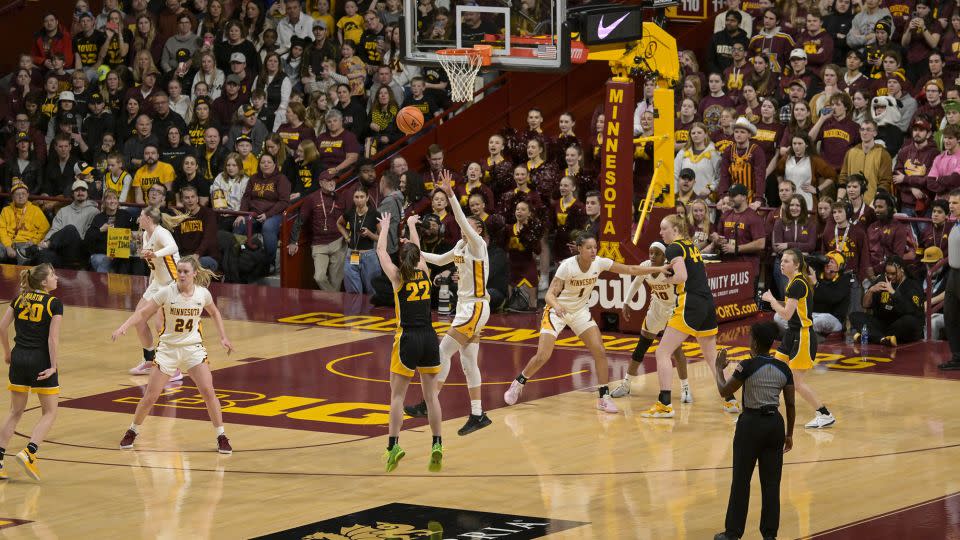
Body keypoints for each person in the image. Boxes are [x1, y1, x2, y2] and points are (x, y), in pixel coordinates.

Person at [504, 232, 660, 413]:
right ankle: (518, 382)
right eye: (589, 248)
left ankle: (603, 397)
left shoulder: (599, 263)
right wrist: (557, 306)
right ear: (579, 249)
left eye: (595, 247)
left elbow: (631, 270)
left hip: (579, 312)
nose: (593, 251)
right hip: (557, 311)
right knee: (543, 356)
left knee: (600, 351)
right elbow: (549, 295)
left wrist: (658, 269)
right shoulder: (567, 267)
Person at [112, 256, 234, 455]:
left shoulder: (203, 294)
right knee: (151, 396)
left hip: (193, 348)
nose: (182, 275)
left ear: (194, 273)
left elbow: (214, 313)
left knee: (208, 391)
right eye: (179, 271)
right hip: (168, 350)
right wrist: (124, 326)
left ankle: (221, 436)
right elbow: (143, 313)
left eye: (186, 271)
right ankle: (132, 430)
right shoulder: (166, 292)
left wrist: (223, 337)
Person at [404, 175, 492, 436]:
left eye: (472, 226)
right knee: (467, 362)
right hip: (466, 308)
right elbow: (441, 260)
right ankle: (478, 414)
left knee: (442, 352)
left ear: (478, 230)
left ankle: (427, 403)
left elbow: (461, 220)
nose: (466, 228)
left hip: (475, 307)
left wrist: (451, 195)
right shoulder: (460, 245)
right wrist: (415, 253)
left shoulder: (479, 245)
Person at [642, 215, 741, 418]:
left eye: (664, 229)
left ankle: (665, 404)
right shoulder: (690, 245)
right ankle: (730, 400)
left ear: (676, 229)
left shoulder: (674, 248)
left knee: (662, 353)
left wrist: (667, 278)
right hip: (707, 303)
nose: (661, 233)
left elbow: (682, 277)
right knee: (711, 357)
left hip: (690, 303)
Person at [712, 321, 795, 540]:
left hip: (750, 425)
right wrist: (789, 434)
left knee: (741, 480)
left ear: (755, 342)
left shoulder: (747, 365)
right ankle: (769, 535)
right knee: (771, 484)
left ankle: (732, 533)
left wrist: (719, 369)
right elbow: (790, 404)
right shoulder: (784, 368)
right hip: (775, 426)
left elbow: (723, 391)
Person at [376, 212, 443, 473]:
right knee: (431, 397)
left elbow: (381, 250)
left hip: (407, 338)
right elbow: (420, 251)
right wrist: (414, 226)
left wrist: (385, 227)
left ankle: (393, 445)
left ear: (402, 259)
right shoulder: (425, 271)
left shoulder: (397, 276)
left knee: (397, 396)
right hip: (429, 337)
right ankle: (437, 443)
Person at [761, 249, 836, 431]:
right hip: (791, 334)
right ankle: (764, 411)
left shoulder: (797, 284)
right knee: (774, 372)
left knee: (796, 383)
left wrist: (771, 301)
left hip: (802, 336)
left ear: (796, 265)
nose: (782, 263)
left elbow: (786, 314)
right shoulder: (795, 281)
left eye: (786, 261)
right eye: (782, 260)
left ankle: (824, 414)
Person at [0, 264, 63, 481]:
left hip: (18, 358)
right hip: (40, 360)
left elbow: (2, 326)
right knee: (50, 412)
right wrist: (53, 366)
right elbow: (52, 339)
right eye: (53, 275)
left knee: (15, 412)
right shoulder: (54, 303)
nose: (57, 278)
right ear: (44, 282)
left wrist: (7, 353)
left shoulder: (20, 299)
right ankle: (30, 452)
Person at [614, 242, 691, 402]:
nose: (652, 257)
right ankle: (626, 384)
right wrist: (626, 302)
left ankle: (685, 388)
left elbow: (686, 285)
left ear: (664, 256)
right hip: (656, 308)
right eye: (650, 253)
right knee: (641, 346)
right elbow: (636, 282)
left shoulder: (671, 269)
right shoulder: (646, 266)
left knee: (676, 350)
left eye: (656, 254)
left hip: (673, 309)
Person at [128, 207, 187, 378]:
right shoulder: (146, 235)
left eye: (140, 216)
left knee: (161, 325)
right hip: (157, 283)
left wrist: (154, 253)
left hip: (171, 283)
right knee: (139, 319)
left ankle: (173, 368)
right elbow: (155, 266)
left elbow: (173, 247)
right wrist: (151, 285)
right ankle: (149, 359)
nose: (138, 219)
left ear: (148, 218)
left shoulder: (161, 233)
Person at [851, 256, 925, 346]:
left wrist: (893, 293)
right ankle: (882, 339)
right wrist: (871, 290)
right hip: (884, 324)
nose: (890, 276)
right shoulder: (881, 280)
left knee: (910, 321)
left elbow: (910, 310)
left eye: (893, 274)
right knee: (855, 316)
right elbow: (865, 305)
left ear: (902, 270)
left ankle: (872, 336)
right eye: (887, 273)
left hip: (900, 325)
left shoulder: (912, 285)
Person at [940, 189, 960, 370]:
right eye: (950, 203)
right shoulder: (955, 224)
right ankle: (957, 357)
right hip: (953, 274)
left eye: (955, 203)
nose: (951, 206)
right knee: (950, 316)